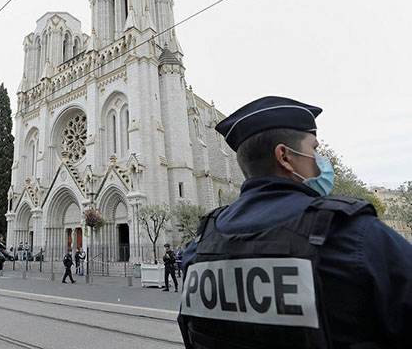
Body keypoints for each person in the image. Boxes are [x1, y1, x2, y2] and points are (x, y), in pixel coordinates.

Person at [177, 96, 412, 348]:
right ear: (285, 156)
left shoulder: (198, 249)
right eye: (314, 148)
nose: (320, 159)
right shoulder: (357, 236)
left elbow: (190, 331)